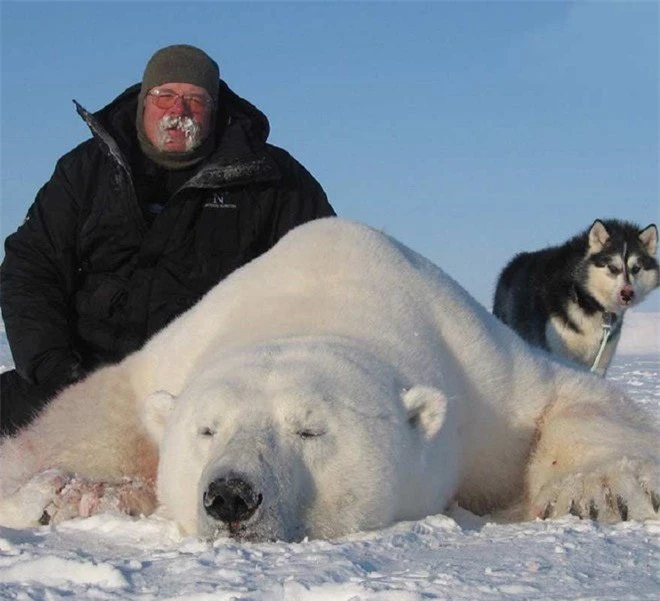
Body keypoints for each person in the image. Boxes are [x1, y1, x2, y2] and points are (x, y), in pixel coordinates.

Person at [0, 44, 335, 436]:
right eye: (165, 97)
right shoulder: (85, 170)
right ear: (144, 101)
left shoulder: (272, 181)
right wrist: (55, 371)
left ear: (215, 108)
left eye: (195, 99)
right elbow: (29, 269)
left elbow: (324, 274)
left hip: (205, 394)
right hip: (79, 378)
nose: (179, 112)